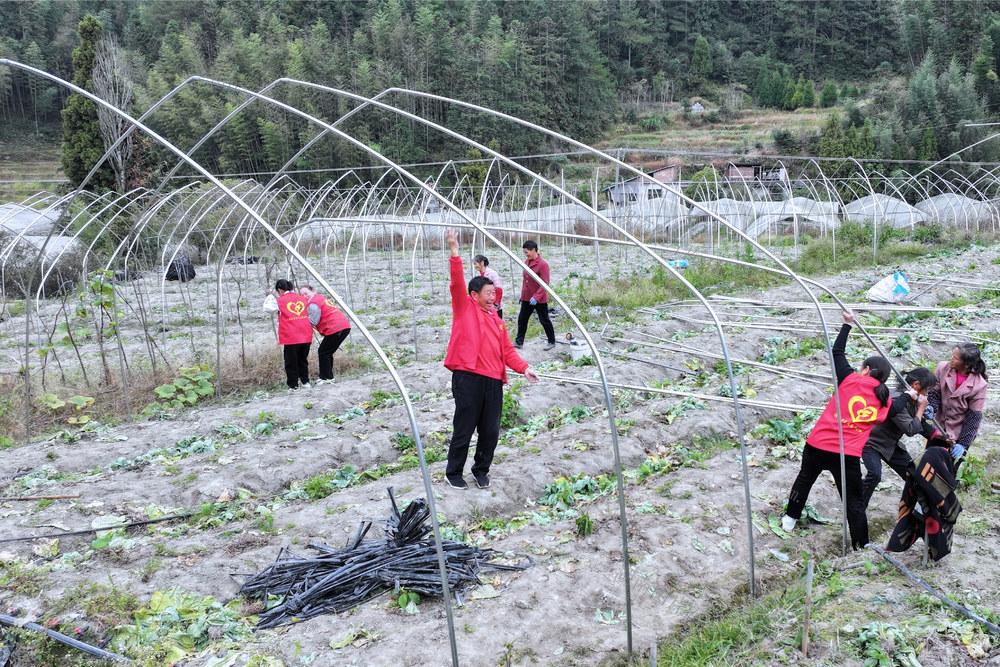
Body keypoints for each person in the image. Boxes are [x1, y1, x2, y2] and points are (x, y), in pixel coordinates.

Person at [781, 310, 898, 550]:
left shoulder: (849, 379)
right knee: (853, 500)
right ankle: (861, 545)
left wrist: (847, 325)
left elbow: (837, 352)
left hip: (818, 444)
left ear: (865, 369)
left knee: (804, 480)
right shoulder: (885, 400)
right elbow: (897, 408)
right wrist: (911, 396)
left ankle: (789, 520)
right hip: (847, 454)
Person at [444, 229, 539, 490]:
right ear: (474, 295)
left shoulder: (496, 320)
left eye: (494, 292)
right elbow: (456, 283)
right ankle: (453, 473)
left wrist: (525, 368)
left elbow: (507, 351)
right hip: (468, 378)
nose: (493, 295)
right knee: (464, 427)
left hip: (493, 382)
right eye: (487, 292)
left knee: (490, 431)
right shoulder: (465, 310)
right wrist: (454, 251)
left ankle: (481, 470)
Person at [860, 367, 941, 509]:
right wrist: (921, 408)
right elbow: (911, 429)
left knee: (913, 473)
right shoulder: (898, 399)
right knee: (874, 475)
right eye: (926, 390)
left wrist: (944, 437)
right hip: (872, 442)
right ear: (916, 385)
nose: (925, 395)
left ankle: (918, 508)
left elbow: (920, 424)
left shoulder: (912, 399)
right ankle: (857, 506)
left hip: (890, 445)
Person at [928, 342, 988, 464]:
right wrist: (931, 407)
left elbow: (974, 417)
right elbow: (935, 392)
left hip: (959, 432)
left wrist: (963, 443)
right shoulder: (943, 368)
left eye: (955, 358)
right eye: (952, 355)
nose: (951, 358)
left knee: (948, 470)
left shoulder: (979, 385)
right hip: (939, 426)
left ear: (966, 365)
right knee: (928, 463)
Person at [263, 279, 313, 389]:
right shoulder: (301, 298)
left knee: (291, 362)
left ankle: (293, 385)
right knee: (302, 359)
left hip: (291, 335)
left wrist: (270, 296)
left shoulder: (280, 300)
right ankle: (305, 382)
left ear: (279, 290)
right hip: (306, 333)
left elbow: (267, 308)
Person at [299, 285, 351, 384]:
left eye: (306, 293)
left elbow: (314, 321)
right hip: (342, 326)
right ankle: (327, 376)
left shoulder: (314, 303)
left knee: (323, 352)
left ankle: (326, 378)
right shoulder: (319, 298)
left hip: (336, 328)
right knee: (326, 352)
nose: (304, 296)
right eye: (301, 295)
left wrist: (301, 320)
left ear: (312, 291)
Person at [513, 239, 555, 351]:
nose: (526, 255)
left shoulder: (542, 265)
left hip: (539, 299)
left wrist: (536, 297)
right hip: (527, 298)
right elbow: (525, 280)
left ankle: (551, 341)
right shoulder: (527, 262)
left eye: (527, 252)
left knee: (544, 320)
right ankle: (519, 341)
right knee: (522, 319)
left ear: (533, 250)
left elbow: (545, 283)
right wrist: (522, 294)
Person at [473, 254, 503, 319]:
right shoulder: (477, 275)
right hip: (483, 305)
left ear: (482, 263)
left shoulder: (492, 273)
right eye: (474, 264)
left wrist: (496, 302)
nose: (475, 266)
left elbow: (498, 289)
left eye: (476, 264)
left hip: (494, 305)